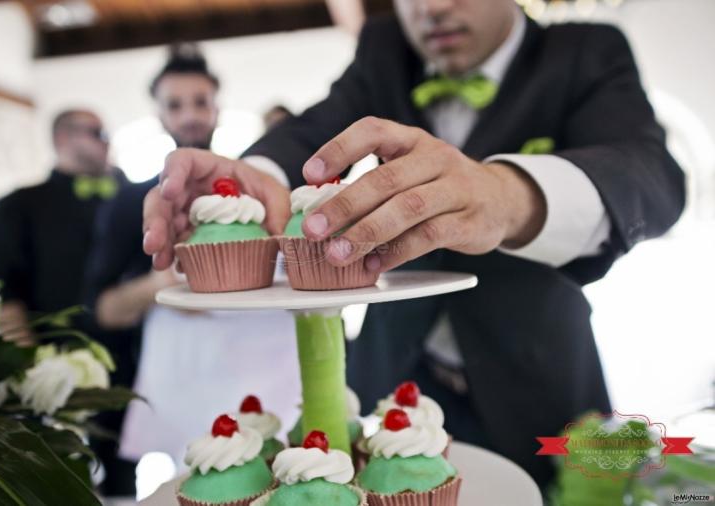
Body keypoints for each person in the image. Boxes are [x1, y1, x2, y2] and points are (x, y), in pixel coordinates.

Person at [142, 0, 685, 488]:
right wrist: (247, 177)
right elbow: (309, 134)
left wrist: (510, 194)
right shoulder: (383, 48)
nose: (433, 8)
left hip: (541, 379)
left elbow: (654, 177)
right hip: (390, 378)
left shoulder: (586, 49)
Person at [84, 43, 300, 477]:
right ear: (160, 115)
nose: (190, 116)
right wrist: (159, 284)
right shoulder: (134, 203)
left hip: (270, 374)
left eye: (201, 102)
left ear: (218, 108)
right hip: (185, 384)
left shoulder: (260, 190)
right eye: (175, 105)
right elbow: (101, 309)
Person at [0, 109, 123, 343]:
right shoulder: (16, 206)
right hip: (56, 352)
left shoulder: (124, 198)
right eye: (98, 133)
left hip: (131, 349)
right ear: (62, 138)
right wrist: (29, 362)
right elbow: (4, 291)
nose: (106, 141)